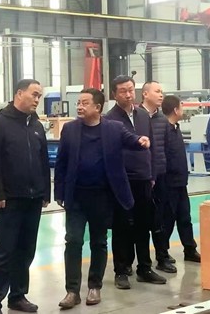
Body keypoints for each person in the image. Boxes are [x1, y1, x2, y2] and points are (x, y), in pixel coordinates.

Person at [54, 88, 151, 309]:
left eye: (84, 103)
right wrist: (59, 192)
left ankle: (94, 286)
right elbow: (61, 163)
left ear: (97, 107)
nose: (79, 107)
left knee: (99, 241)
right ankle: (72, 291)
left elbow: (131, 140)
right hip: (76, 197)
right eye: (78, 103)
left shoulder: (113, 128)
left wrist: (141, 141)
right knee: (73, 241)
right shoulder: (70, 129)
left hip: (102, 197)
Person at [0, 79, 51, 314]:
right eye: (34, 94)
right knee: (5, 251)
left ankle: (18, 296)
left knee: (26, 250)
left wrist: (45, 192)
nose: (37, 99)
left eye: (40, 96)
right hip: (10, 199)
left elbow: (43, 161)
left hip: (34, 198)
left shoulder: (37, 126)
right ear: (19, 93)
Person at [106, 75, 167, 289]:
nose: (128, 94)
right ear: (114, 94)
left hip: (143, 179)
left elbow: (152, 147)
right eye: (123, 91)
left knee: (143, 225)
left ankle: (144, 268)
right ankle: (121, 270)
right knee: (122, 227)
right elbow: (110, 153)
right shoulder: (110, 119)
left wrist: (152, 175)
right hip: (123, 181)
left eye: (131, 90)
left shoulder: (142, 115)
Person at [139, 81, 176, 274]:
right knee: (141, 220)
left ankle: (162, 256)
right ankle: (138, 262)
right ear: (145, 94)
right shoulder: (136, 117)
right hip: (142, 177)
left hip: (160, 175)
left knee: (161, 219)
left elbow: (167, 148)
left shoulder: (163, 120)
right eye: (157, 91)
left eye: (162, 91)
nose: (161, 95)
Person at [159, 95, 201, 267]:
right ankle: (162, 254)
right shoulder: (165, 130)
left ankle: (189, 249)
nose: (183, 110)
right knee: (167, 220)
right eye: (181, 107)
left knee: (185, 217)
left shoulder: (176, 128)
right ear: (176, 110)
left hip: (181, 182)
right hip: (169, 183)